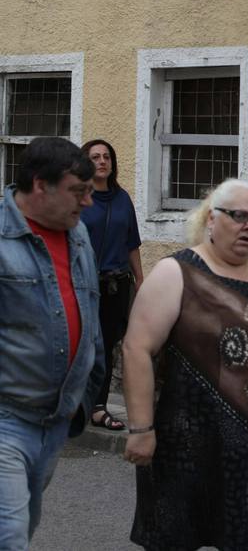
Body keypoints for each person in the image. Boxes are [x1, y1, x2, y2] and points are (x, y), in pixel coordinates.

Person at [123, 178, 248, 551]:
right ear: (211, 218)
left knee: (245, 541)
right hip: (183, 446)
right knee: (174, 541)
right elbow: (136, 349)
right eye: (238, 215)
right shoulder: (176, 272)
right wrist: (141, 428)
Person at [0, 136, 105, 548]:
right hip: (6, 416)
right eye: (78, 192)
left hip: (54, 421)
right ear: (40, 184)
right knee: (10, 538)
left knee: (23, 527)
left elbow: (91, 320)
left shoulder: (78, 237)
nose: (87, 203)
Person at [80, 139, 143, 431]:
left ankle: (98, 407)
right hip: (83, 286)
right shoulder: (78, 198)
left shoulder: (122, 198)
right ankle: (71, 405)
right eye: (95, 157)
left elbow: (132, 243)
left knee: (106, 346)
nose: (102, 161)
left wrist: (140, 279)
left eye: (106, 157)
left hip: (116, 285)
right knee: (80, 345)